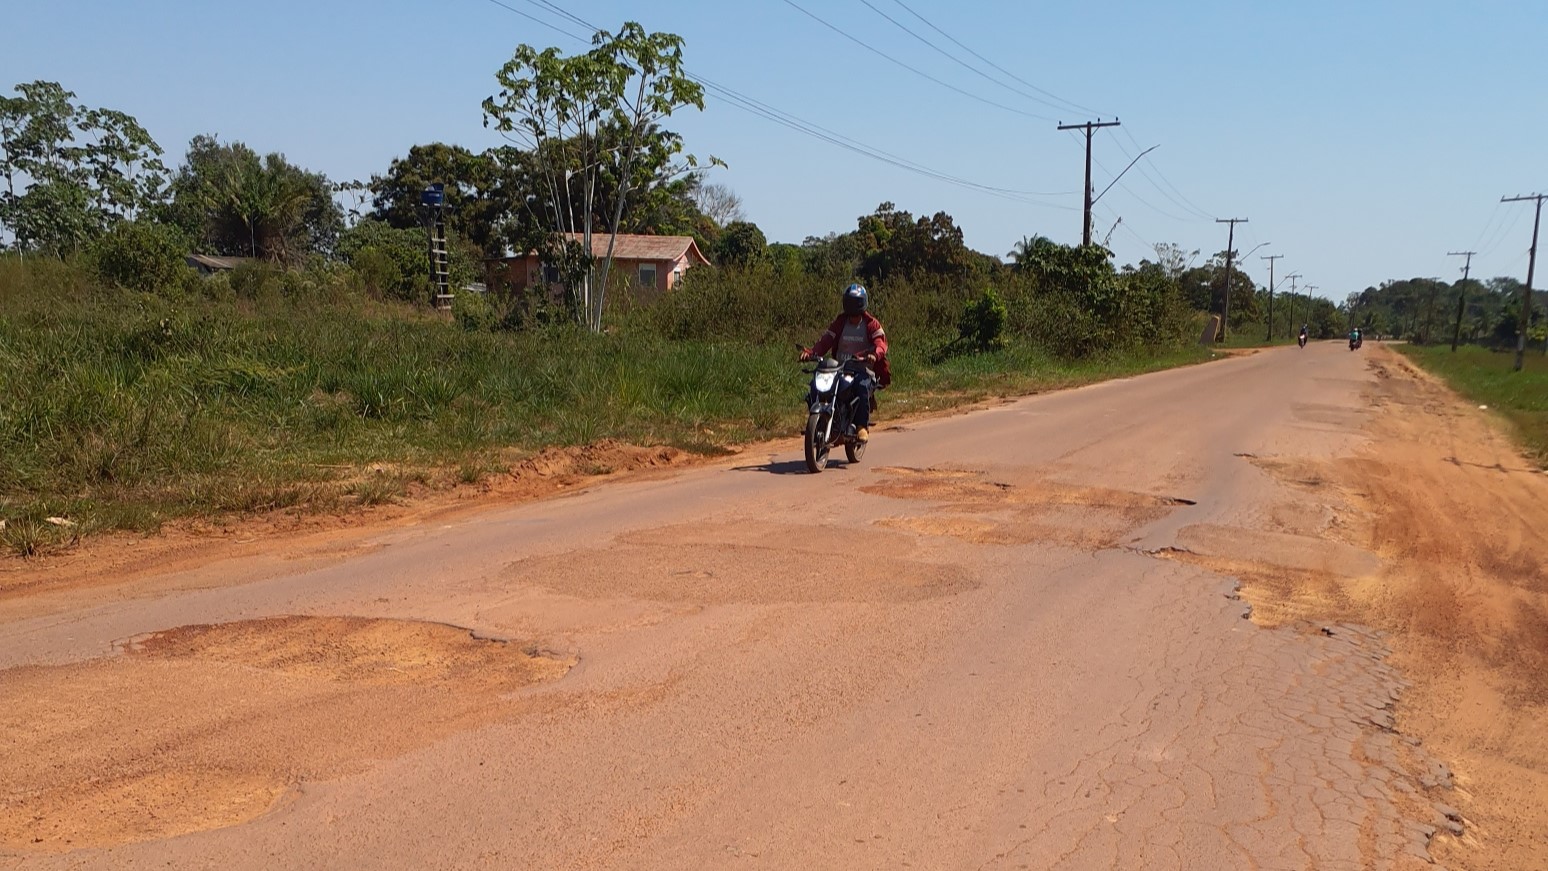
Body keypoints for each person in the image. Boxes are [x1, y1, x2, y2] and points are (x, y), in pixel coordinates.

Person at [799, 283, 889, 442]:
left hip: (862, 370)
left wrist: (874, 354)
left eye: (856, 302)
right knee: (815, 385)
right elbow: (826, 341)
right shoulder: (840, 322)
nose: (852, 307)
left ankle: (861, 426)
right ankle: (816, 420)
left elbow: (881, 343)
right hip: (838, 369)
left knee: (861, 387)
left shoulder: (871, 324)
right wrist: (811, 353)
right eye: (850, 302)